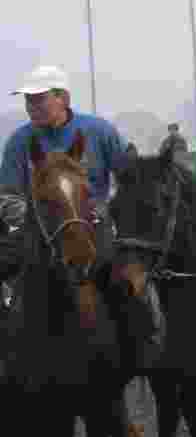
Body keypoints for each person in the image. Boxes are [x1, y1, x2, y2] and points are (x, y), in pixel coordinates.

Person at [0, 65, 125, 285]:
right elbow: (7, 196)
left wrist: (108, 211)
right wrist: (36, 218)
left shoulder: (100, 131)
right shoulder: (18, 142)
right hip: (39, 230)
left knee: (125, 281)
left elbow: (130, 179)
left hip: (95, 226)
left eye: (39, 99)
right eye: (28, 100)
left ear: (63, 99)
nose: (31, 107)